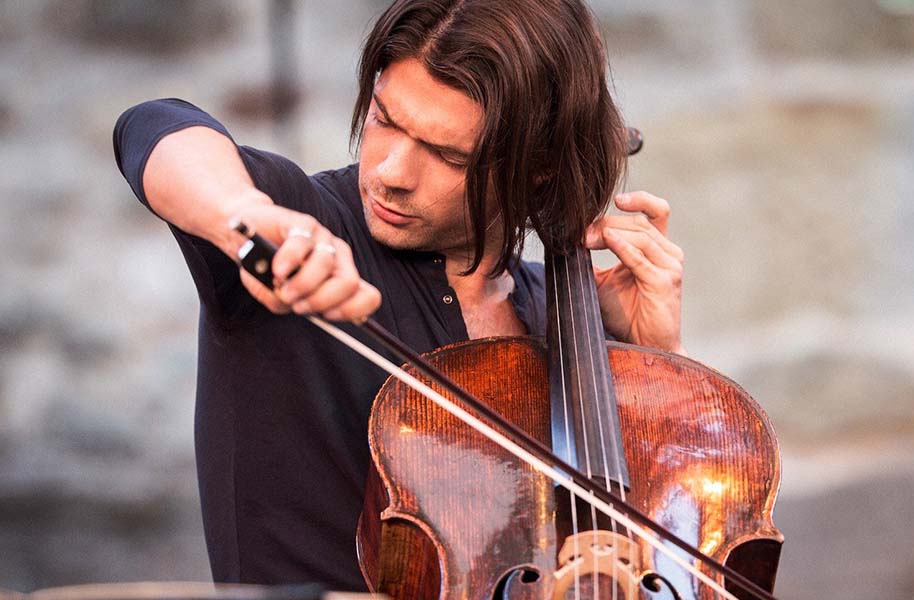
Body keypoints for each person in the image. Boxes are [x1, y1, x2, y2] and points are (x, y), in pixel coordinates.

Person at [114, 0, 685, 592]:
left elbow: (646, 558)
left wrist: (661, 369)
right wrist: (245, 213)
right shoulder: (306, 229)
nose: (391, 171)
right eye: (385, 118)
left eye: (447, 155)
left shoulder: (555, 317)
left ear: (537, 167)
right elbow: (153, 128)